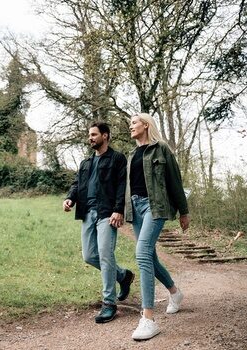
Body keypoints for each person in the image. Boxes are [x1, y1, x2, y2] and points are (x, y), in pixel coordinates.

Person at [125, 113, 190, 340]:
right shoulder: (131, 154)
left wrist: (184, 211)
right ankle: (175, 292)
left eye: (134, 123)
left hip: (155, 207)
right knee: (150, 257)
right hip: (135, 208)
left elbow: (175, 181)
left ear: (146, 124)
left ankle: (148, 319)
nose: (130, 126)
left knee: (142, 253)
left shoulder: (161, 148)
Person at [63, 121, 135, 324]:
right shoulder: (85, 163)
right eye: (89, 135)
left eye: (94, 134)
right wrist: (70, 198)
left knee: (105, 254)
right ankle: (122, 276)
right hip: (87, 213)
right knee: (89, 256)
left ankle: (109, 303)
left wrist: (118, 209)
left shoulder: (117, 158)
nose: (90, 138)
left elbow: (122, 185)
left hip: (107, 213)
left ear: (106, 136)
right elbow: (77, 184)